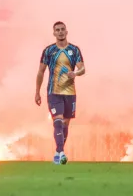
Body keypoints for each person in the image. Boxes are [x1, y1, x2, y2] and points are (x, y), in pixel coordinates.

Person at [35, 21, 85, 165]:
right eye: (57, 30)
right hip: (54, 92)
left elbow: (83, 69)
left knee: (65, 125)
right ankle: (62, 153)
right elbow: (40, 72)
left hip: (70, 93)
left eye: (63, 29)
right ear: (54, 33)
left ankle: (57, 153)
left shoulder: (74, 50)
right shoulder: (49, 51)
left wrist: (75, 73)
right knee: (57, 121)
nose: (60, 32)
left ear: (66, 32)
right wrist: (37, 92)